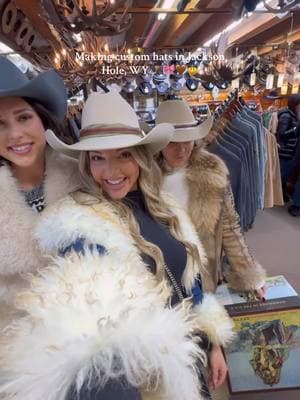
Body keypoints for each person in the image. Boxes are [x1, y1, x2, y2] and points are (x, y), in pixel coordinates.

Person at [0, 91, 234, 400]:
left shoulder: (165, 207)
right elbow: (101, 336)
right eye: (98, 158)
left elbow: (190, 283)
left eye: (124, 154)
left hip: (191, 354)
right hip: (151, 375)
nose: (111, 171)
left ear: (141, 157)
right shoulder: (82, 226)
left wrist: (212, 340)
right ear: (86, 163)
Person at [155, 99, 266, 298]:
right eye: (172, 142)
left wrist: (250, 275)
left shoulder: (212, 172)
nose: (181, 150)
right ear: (159, 142)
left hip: (203, 273)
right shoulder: (146, 178)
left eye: (187, 140)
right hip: (164, 275)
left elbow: (230, 228)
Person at [0, 57, 80, 330]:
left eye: (23, 117)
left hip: (89, 336)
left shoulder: (83, 177)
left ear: (42, 119)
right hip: (14, 350)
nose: (15, 135)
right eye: (0, 124)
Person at [277, 93, 300, 206]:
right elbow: (282, 134)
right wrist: (296, 129)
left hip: (290, 152)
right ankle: (276, 197)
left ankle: (281, 195)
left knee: (284, 175)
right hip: (285, 152)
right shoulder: (286, 115)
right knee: (282, 175)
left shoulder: (294, 115)